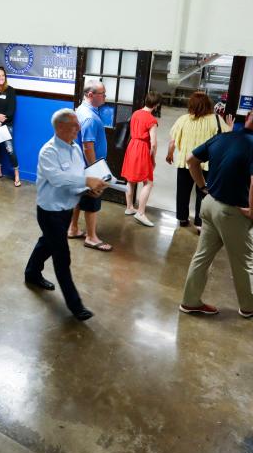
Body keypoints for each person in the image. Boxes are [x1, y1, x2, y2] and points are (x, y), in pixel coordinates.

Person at [179, 104, 253, 319]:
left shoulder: (222, 138)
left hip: (209, 204)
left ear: (248, 116)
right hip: (234, 213)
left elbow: (191, 161)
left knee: (202, 257)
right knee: (242, 264)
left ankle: (190, 301)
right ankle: (251, 306)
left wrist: (203, 187)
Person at [24, 109, 110, 321]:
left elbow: (78, 177)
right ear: (60, 128)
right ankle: (75, 305)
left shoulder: (75, 148)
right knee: (62, 256)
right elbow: (58, 180)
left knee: (47, 242)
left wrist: (88, 189)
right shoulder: (48, 152)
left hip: (66, 210)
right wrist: (85, 182)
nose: (79, 129)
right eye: (74, 126)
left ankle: (31, 273)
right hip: (50, 211)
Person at [166, 91, 233, 228]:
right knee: (203, 193)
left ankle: (183, 219)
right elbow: (226, 139)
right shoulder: (216, 120)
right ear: (208, 104)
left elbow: (172, 141)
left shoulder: (183, 119)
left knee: (183, 192)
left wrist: (170, 154)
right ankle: (199, 223)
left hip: (185, 163)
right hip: (206, 165)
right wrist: (230, 127)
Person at [67, 79, 111, 251]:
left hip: (80, 166)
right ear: (90, 95)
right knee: (93, 199)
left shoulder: (82, 110)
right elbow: (87, 146)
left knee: (80, 197)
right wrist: (95, 172)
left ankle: (73, 228)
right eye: (103, 94)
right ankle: (91, 238)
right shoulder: (89, 118)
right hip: (89, 167)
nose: (105, 97)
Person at [121, 91, 162, 227]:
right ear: (156, 105)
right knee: (148, 182)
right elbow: (154, 143)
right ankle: (141, 213)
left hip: (132, 145)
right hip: (142, 148)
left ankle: (129, 207)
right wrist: (153, 159)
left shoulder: (136, 113)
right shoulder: (152, 120)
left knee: (131, 179)